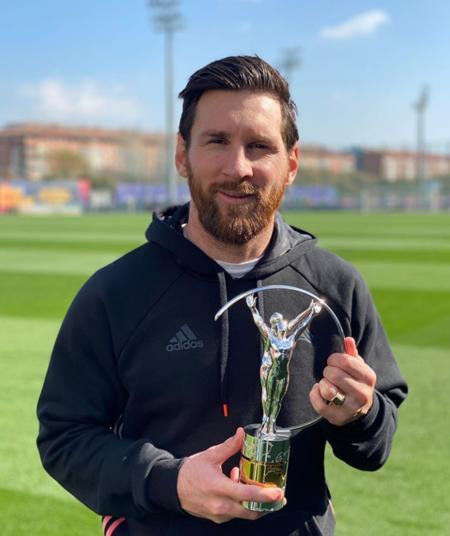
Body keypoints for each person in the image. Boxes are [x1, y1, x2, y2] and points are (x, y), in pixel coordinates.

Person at [37, 55, 408, 536]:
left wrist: (360, 413)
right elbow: (64, 438)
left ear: (291, 164)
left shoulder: (335, 287)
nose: (238, 167)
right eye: (217, 141)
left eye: (260, 146)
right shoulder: (116, 292)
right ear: (182, 154)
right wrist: (170, 483)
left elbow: (375, 448)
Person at [245, 294, 322, 436]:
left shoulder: (290, 340)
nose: (280, 325)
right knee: (268, 398)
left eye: (280, 323)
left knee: (277, 400)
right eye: (277, 323)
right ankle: (266, 421)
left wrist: (312, 313)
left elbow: (301, 326)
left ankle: (272, 423)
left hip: (283, 375)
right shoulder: (270, 339)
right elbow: (259, 323)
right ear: (274, 326)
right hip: (272, 373)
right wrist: (252, 308)